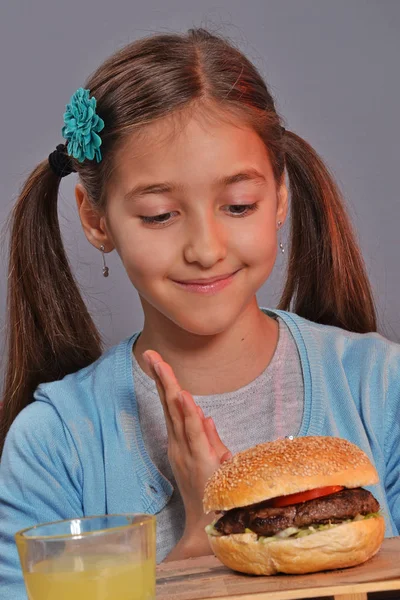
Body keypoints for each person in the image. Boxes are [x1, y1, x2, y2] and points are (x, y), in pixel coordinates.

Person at [0, 28, 399, 598]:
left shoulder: (379, 390)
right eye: (160, 215)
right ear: (95, 218)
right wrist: (198, 543)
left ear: (280, 196)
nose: (206, 248)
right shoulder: (56, 442)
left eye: (238, 206)